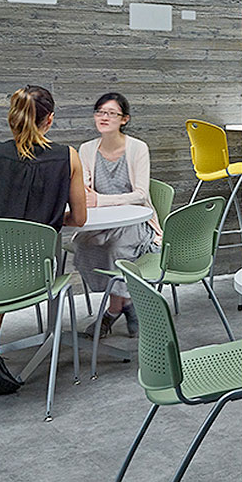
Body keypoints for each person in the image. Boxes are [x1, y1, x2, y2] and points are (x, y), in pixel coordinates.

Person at [0, 85, 88, 396]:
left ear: (11, 118)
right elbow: (79, 219)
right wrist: (50, 220)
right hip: (39, 274)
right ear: (50, 120)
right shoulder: (69, 156)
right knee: (4, 266)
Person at [74, 92, 161, 339]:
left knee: (116, 249)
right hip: (103, 221)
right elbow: (85, 189)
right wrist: (89, 197)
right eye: (100, 112)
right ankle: (127, 304)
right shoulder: (87, 149)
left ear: (124, 119)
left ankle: (111, 312)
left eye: (112, 113)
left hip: (135, 220)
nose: (104, 117)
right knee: (82, 244)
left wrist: (101, 200)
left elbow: (141, 195)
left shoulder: (138, 148)